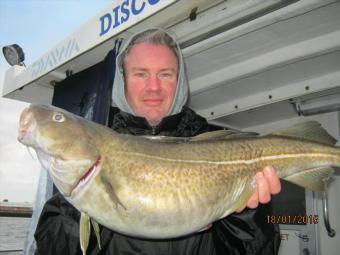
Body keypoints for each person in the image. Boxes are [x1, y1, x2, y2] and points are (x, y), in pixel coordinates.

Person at [34, 28, 281, 254]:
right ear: (123, 81)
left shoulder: (215, 143)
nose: (153, 87)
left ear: (179, 81)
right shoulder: (95, 150)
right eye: (141, 74)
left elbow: (260, 250)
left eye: (165, 74)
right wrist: (84, 202)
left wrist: (247, 213)